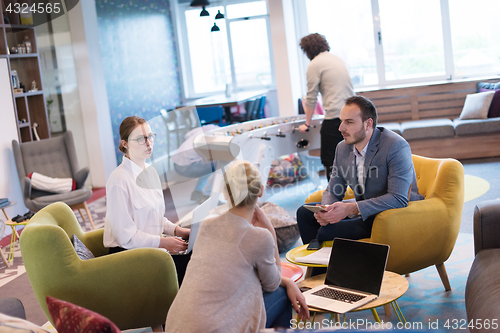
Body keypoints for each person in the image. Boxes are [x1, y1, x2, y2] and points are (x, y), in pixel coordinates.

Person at [165, 161, 309, 332]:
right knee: (281, 294)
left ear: (226, 193)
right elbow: (272, 283)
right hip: (215, 329)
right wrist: (270, 231)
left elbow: (234, 274)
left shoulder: (205, 226)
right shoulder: (259, 237)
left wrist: (285, 282)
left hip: (176, 326)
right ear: (261, 190)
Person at [297, 96, 423, 248]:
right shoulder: (342, 148)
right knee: (304, 214)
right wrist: (326, 210)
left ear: (368, 124)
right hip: (363, 210)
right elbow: (334, 188)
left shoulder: (395, 146)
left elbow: (398, 198)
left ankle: (332, 269)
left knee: (327, 231)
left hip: (390, 214)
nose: (341, 128)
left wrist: (351, 208)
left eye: (349, 122)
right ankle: (322, 271)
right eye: (341, 121)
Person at [103, 116, 191, 283]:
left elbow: (154, 217)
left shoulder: (150, 172)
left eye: (150, 136)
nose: (149, 143)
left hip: (150, 248)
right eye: (140, 139)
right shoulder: (119, 180)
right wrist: (163, 243)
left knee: (198, 253)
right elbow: (125, 237)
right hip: (127, 256)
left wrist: (178, 231)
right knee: (191, 264)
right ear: (125, 144)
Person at [298, 33, 355, 181]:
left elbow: (311, 97)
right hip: (354, 115)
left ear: (307, 50)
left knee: (329, 160)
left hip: (337, 117)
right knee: (351, 159)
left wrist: (307, 123)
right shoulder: (338, 59)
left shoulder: (315, 64)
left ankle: (334, 197)